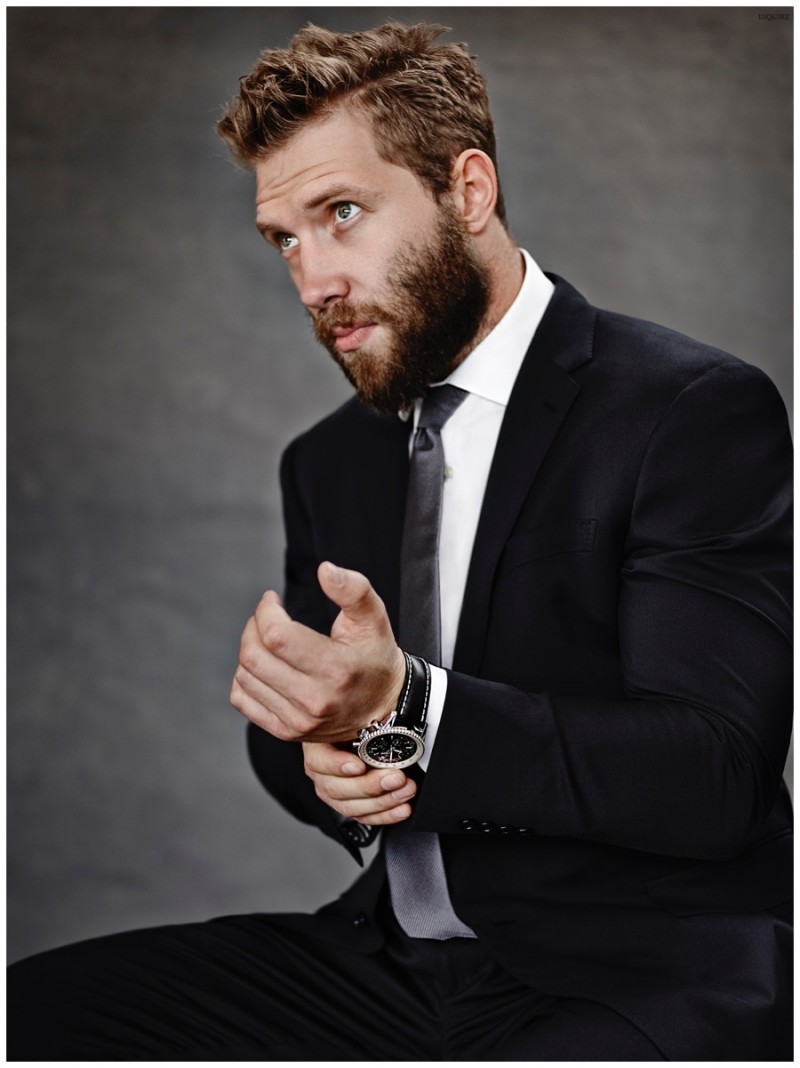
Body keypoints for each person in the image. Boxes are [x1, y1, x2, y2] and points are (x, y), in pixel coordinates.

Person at [8, 21, 792, 1062]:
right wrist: (322, 747)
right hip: (394, 963)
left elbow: (712, 775)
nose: (312, 282)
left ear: (467, 191)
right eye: (284, 239)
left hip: (638, 967)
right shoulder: (327, 460)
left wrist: (407, 711)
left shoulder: (688, 410)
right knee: (30, 1015)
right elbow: (305, 738)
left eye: (341, 214)